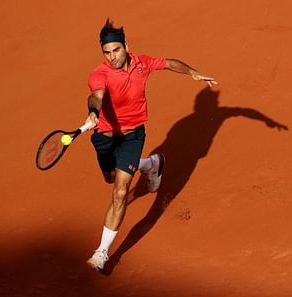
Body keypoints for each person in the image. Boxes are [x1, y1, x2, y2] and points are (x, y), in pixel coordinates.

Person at [84, 19, 218, 271]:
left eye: (117, 50)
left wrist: (192, 72)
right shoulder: (99, 74)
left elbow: (168, 63)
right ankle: (152, 164)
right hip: (105, 136)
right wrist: (93, 111)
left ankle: (101, 253)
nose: (112, 57)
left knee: (120, 191)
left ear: (126, 46)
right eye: (107, 52)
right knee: (111, 177)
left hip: (133, 136)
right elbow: (97, 95)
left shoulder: (141, 62)